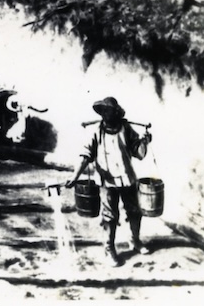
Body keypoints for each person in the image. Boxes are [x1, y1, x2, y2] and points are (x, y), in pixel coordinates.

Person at [64, 96, 152, 267]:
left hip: (128, 178)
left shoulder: (126, 128)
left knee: (134, 211)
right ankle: (109, 249)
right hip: (107, 181)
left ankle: (135, 241)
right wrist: (75, 177)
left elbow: (139, 154)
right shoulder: (96, 132)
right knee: (109, 217)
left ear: (116, 112)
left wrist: (145, 141)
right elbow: (85, 155)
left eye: (108, 110)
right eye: (103, 111)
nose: (105, 113)